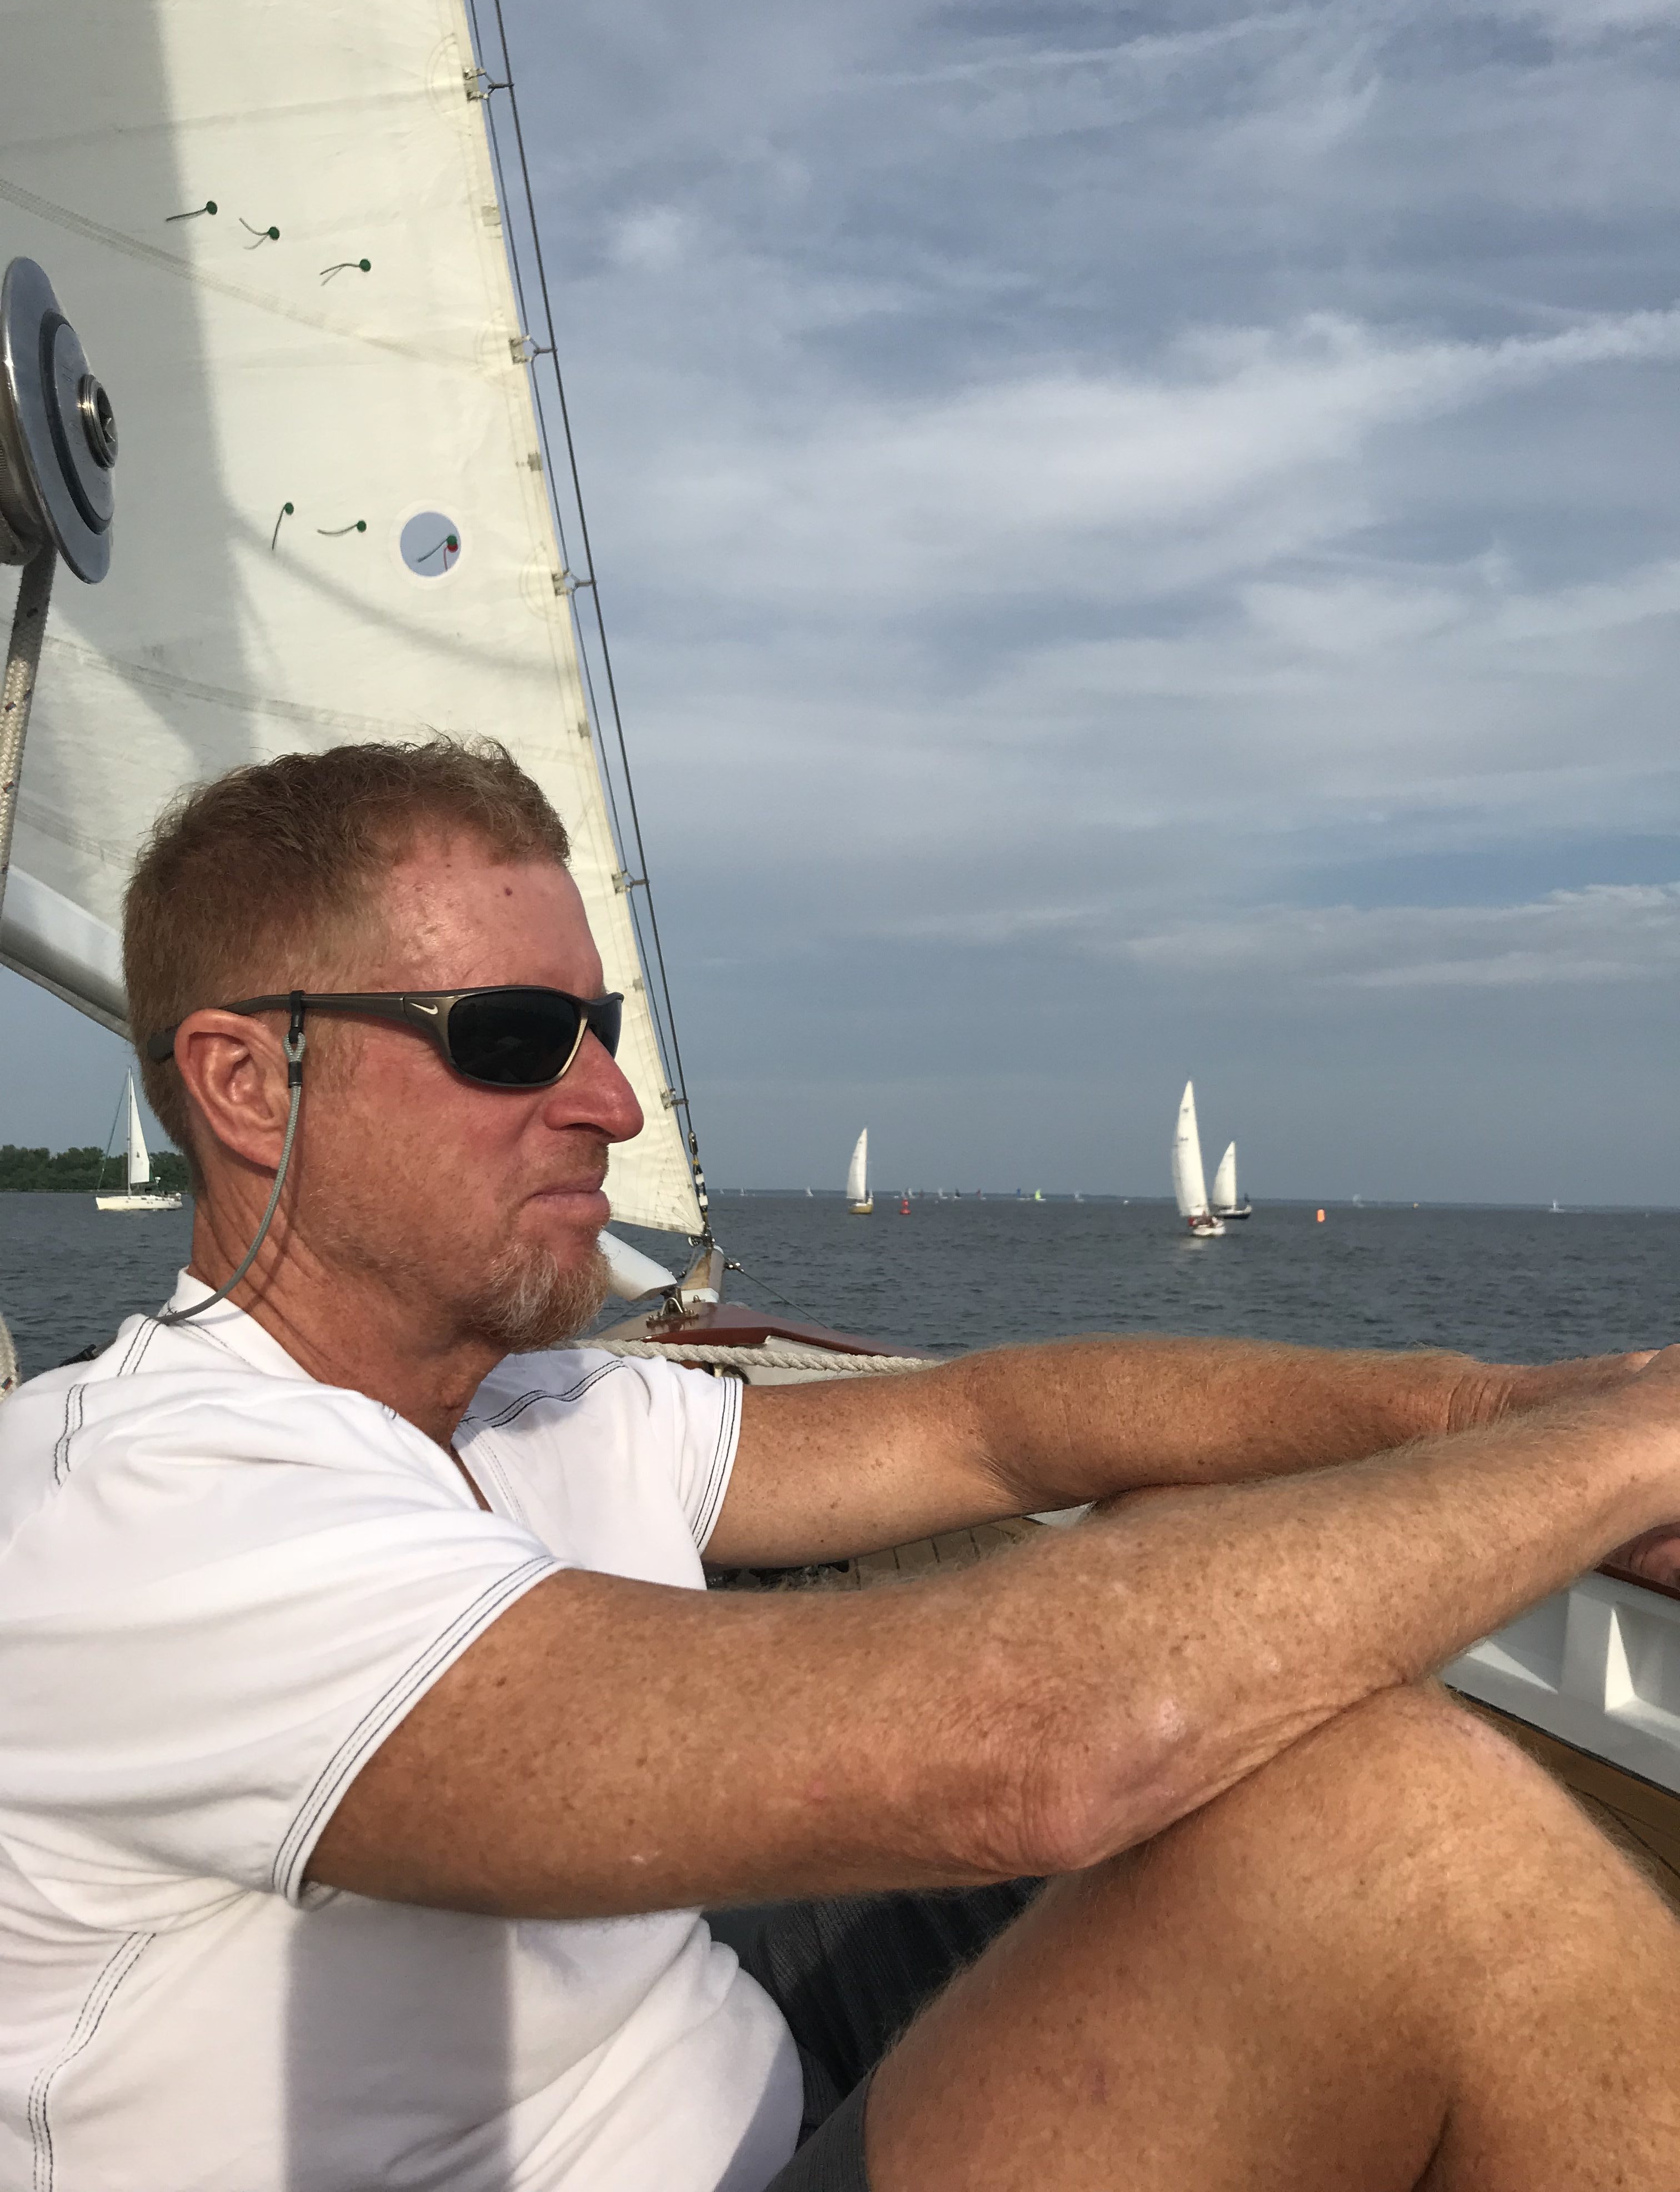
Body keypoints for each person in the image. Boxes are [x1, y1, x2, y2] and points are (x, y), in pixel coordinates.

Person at [0, 737, 1674, 2192]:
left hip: (755, 2065)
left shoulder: (534, 1408)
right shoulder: (132, 1521)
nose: (613, 1105)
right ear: (246, 1084)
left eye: (601, 1024)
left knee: (1302, 1734)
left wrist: (1501, 1408)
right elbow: (1036, 1746)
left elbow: (999, 1423)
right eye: (514, 1037)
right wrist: (1637, 1445)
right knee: (1394, 1834)